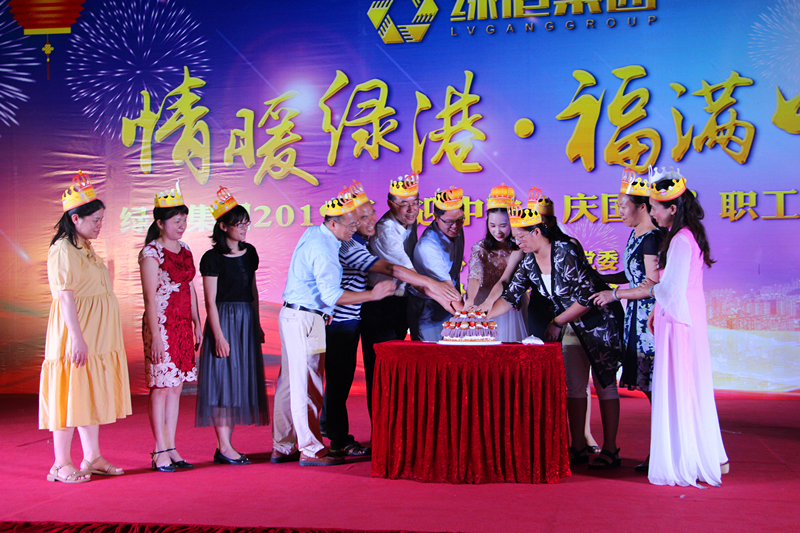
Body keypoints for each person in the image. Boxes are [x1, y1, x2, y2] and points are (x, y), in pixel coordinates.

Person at [321, 182, 460, 456]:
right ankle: (352, 438)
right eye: (360, 217)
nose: (369, 220)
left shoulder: (374, 234)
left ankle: (377, 436)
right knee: (364, 377)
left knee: (380, 376)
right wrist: (447, 298)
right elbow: (395, 270)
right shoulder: (363, 239)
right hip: (358, 314)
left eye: (415, 203)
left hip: (374, 309)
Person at [486, 196, 625, 469]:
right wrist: (480, 316)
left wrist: (557, 322)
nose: (517, 243)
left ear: (537, 232)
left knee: (605, 383)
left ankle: (610, 449)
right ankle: (578, 446)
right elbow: (510, 296)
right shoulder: (529, 262)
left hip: (599, 320)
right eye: (515, 238)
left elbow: (586, 298)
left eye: (521, 237)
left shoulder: (564, 251)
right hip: (570, 322)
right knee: (574, 385)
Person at [272, 187, 395, 466]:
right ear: (333, 224)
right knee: (307, 385)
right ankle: (311, 449)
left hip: (297, 314)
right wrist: (373, 295)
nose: (354, 229)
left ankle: (284, 445)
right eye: (350, 225)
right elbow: (332, 295)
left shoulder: (314, 233)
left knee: (290, 384)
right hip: (306, 319)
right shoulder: (326, 248)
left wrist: (325, 311)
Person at [40, 172, 131, 483]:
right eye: (95, 219)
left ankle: (91, 456)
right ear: (75, 218)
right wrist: (76, 339)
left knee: (88, 392)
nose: (99, 225)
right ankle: (60, 463)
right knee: (70, 393)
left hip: (95, 334)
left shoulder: (84, 246)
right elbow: (65, 298)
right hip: (76, 333)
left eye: (101, 219)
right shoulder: (62, 249)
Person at [643, 168, 728, 487]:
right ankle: (708, 454)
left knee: (681, 387)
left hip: (678, 323)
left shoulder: (680, 240)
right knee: (692, 388)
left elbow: (670, 288)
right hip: (682, 318)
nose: (652, 212)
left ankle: (687, 457)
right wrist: (657, 306)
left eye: (655, 207)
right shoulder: (688, 235)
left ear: (672, 208)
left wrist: (649, 292)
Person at [590, 169, 663, 472]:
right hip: (635, 317)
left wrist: (614, 294)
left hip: (650, 322)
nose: (619, 211)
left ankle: (662, 454)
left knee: (657, 390)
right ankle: (660, 453)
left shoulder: (652, 239)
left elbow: (651, 285)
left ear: (642, 206)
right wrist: (602, 278)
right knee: (650, 390)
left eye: (623, 206)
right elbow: (634, 275)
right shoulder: (636, 234)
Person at [196, 187, 269, 465]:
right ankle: (224, 446)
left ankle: (225, 446)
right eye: (239, 224)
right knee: (222, 382)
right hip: (223, 321)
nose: (244, 228)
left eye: (246, 223)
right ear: (223, 226)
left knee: (238, 381)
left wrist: (257, 323)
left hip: (246, 321)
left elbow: (253, 290)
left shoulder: (250, 253)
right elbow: (210, 302)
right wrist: (218, 336)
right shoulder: (212, 258)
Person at [139, 181, 202, 472]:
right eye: (177, 221)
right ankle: (159, 449)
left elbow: (189, 287)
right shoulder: (151, 253)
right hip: (162, 326)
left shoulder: (185, 249)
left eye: (184, 220)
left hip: (182, 326)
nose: (182, 226)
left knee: (176, 387)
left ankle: (172, 446)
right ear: (160, 223)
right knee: (161, 388)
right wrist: (155, 336)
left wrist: (197, 322)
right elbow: (149, 299)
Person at [360, 174, 420, 418]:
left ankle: (394, 429)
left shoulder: (409, 223)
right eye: (403, 204)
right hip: (380, 308)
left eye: (415, 202)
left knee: (396, 373)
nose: (411, 209)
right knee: (380, 373)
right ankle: (380, 432)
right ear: (390, 203)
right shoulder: (385, 230)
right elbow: (411, 275)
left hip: (400, 304)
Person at [463, 184, 527, 341]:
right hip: (481, 302)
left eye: (503, 226)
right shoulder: (481, 247)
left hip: (507, 303)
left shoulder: (520, 247)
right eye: (492, 225)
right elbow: (475, 275)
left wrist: (490, 302)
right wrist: (470, 300)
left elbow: (505, 280)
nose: (497, 231)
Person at [407, 187, 465, 341]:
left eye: (460, 220)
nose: (455, 226)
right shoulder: (428, 246)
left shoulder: (457, 229)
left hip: (451, 299)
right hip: (427, 306)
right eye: (449, 222)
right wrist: (471, 318)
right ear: (436, 217)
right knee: (432, 351)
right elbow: (448, 290)